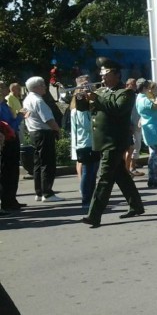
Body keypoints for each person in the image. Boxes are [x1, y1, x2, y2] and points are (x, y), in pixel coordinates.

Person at [80, 58, 145, 228]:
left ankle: (94, 215)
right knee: (121, 175)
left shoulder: (125, 93)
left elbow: (117, 109)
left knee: (104, 178)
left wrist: (96, 97)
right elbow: (83, 109)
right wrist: (81, 96)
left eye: (106, 73)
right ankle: (136, 205)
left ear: (117, 75)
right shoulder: (101, 92)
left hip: (114, 141)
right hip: (103, 141)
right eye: (101, 74)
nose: (102, 77)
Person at [22, 76, 63, 202]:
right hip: (44, 132)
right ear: (36, 87)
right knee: (47, 163)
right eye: (43, 85)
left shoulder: (27, 99)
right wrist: (57, 129)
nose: (45, 87)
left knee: (38, 163)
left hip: (34, 133)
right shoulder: (38, 100)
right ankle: (47, 193)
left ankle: (39, 192)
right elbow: (48, 119)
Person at [69, 76, 100, 212]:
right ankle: (86, 199)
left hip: (89, 142)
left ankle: (91, 197)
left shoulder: (83, 107)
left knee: (92, 172)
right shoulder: (80, 109)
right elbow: (87, 126)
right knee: (88, 173)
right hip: (86, 142)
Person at [0, 81, 24, 211]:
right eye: (2, 87)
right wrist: (20, 117)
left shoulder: (5, 104)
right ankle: (6, 201)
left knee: (13, 171)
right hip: (6, 140)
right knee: (7, 172)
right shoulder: (1, 106)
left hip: (12, 138)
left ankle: (11, 199)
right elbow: (7, 126)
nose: (5, 89)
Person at [124, 77, 144, 176]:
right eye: (133, 84)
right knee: (132, 147)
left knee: (136, 146)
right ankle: (129, 168)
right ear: (127, 85)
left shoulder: (136, 96)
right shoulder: (125, 96)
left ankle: (132, 167)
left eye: (135, 85)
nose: (135, 86)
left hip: (137, 123)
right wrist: (130, 125)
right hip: (129, 125)